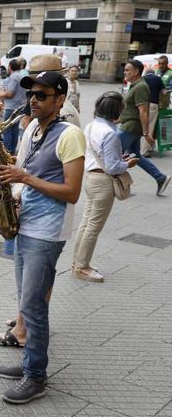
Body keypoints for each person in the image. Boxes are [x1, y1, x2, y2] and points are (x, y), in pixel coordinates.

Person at [0, 70, 85, 404]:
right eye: (32, 94)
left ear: (60, 100)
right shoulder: (32, 126)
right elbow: (29, 167)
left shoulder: (70, 135)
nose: (33, 100)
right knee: (25, 300)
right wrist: (14, 185)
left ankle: (36, 376)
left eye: (42, 95)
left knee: (34, 305)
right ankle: (29, 361)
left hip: (47, 232)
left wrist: (24, 177)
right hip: (25, 223)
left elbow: (72, 192)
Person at [71, 92, 138, 282]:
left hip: (91, 178)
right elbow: (113, 166)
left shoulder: (91, 126)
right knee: (93, 226)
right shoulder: (110, 134)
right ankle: (82, 267)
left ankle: (78, 263)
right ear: (116, 111)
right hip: (103, 182)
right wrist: (129, 164)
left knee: (86, 223)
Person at [118, 59, 170, 196]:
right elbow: (131, 109)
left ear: (136, 72)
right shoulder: (135, 85)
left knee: (113, 153)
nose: (125, 72)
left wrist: (146, 133)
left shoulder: (141, 87)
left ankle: (122, 186)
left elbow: (143, 111)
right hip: (130, 124)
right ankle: (160, 178)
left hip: (131, 127)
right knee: (136, 156)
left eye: (128, 70)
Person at [0, 58, 27, 153]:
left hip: (11, 107)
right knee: (14, 130)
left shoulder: (14, 77)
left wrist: (0, 94)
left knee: (7, 130)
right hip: (19, 106)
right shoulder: (21, 76)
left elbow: (10, 94)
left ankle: (7, 151)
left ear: (10, 67)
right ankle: (12, 151)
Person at [140, 68, 163, 157]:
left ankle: (142, 148)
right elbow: (163, 92)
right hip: (153, 105)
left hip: (142, 104)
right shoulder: (157, 79)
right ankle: (144, 151)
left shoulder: (143, 79)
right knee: (150, 127)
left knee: (143, 126)